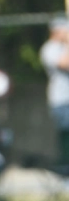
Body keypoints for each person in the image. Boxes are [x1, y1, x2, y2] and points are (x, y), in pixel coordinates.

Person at [41, 17, 69, 170]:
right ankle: (66, 170)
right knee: (66, 134)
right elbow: (65, 64)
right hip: (62, 100)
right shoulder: (49, 48)